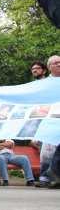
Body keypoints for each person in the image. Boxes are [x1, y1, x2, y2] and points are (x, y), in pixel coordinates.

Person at [45, 55, 60, 188]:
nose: (59, 64)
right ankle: (48, 174)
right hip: (51, 118)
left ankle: (53, 172)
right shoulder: (45, 83)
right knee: (47, 151)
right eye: (56, 63)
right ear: (50, 67)